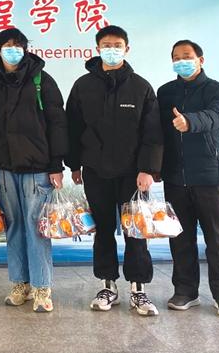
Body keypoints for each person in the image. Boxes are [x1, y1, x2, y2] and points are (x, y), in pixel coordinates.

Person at [66, 25, 162, 316]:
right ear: (97, 49)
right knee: (104, 230)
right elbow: (73, 128)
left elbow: (153, 133)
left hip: (133, 174)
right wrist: (74, 165)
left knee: (136, 230)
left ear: (126, 49)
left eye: (117, 45)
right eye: (106, 45)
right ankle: (108, 286)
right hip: (96, 171)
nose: (112, 50)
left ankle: (138, 289)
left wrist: (148, 169)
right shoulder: (83, 86)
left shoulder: (141, 87)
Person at [0, 28, 67, 312]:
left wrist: (56, 164)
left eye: (17, 46)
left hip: (38, 167)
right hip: (3, 168)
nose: (12, 51)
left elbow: (57, 122)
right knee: (13, 226)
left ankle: (42, 287)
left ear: (25, 49)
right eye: (6, 46)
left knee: (36, 226)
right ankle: (20, 283)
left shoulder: (41, 80)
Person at [157, 39, 219, 318]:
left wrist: (190, 121)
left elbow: (218, 116)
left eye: (187, 56)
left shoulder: (218, 90)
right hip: (175, 177)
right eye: (176, 57)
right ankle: (185, 291)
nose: (182, 61)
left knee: (218, 238)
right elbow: (157, 131)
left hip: (209, 175)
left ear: (200, 59)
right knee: (180, 237)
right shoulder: (165, 92)